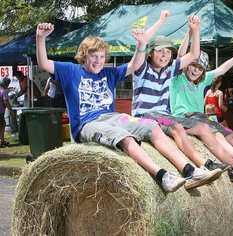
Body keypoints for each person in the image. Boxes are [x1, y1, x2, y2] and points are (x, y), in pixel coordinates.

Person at [36, 14, 221, 193]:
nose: (98, 61)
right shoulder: (70, 71)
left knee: (152, 127)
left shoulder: (108, 73)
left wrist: (141, 45)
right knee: (124, 137)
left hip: (113, 117)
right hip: (88, 124)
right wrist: (40, 38)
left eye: (102, 57)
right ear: (84, 55)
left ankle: (190, 171)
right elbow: (44, 63)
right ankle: (162, 176)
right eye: (93, 56)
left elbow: (133, 65)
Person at [131, 15, 233, 182]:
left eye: (167, 52)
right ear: (151, 53)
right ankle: (201, 167)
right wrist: (146, 40)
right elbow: (182, 54)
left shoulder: (169, 71)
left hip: (168, 117)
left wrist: (196, 29)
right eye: (160, 51)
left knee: (220, 132)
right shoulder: (158, 73)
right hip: (152, 116)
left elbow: (198, 56)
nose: (164, 55)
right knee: (188, 128)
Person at [0, 77, 12, 147]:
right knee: (2, 125)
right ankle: (2, 142)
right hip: (0, 111)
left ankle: (2, 141)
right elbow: (6, 102)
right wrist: (11, 110)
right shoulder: (3, 91)